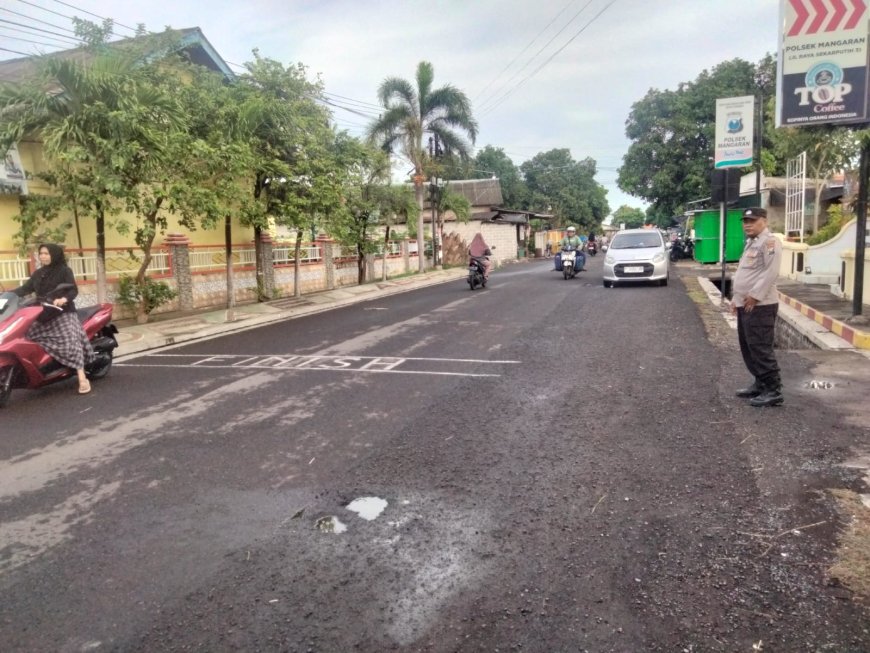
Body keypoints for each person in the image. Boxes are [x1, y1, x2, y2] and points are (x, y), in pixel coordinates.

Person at [13, 243, 95, 394]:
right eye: (41, 253)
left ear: (54, 254)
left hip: (62, 312)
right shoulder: (38, 274)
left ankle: (82, 377)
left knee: (70, 340)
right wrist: (7, 296)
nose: (43, 256)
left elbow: (72, 290)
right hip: (43, 313)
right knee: (25, 336)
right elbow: (25, 289)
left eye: (46, 253)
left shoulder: (64, 271)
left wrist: (64, 299)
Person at [731, 207, 783, 407]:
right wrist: (737, 300)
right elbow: (745, 273)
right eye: (745, 221)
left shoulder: (770, 242)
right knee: (748, 347)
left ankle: (773, 389)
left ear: (764, 221)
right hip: (746, 305)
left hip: (761, 305)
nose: (747, 224)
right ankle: (760, 383)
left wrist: (754, 295)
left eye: (752, 221)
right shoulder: (752, 243)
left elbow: (771, 272)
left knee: (761, 347)